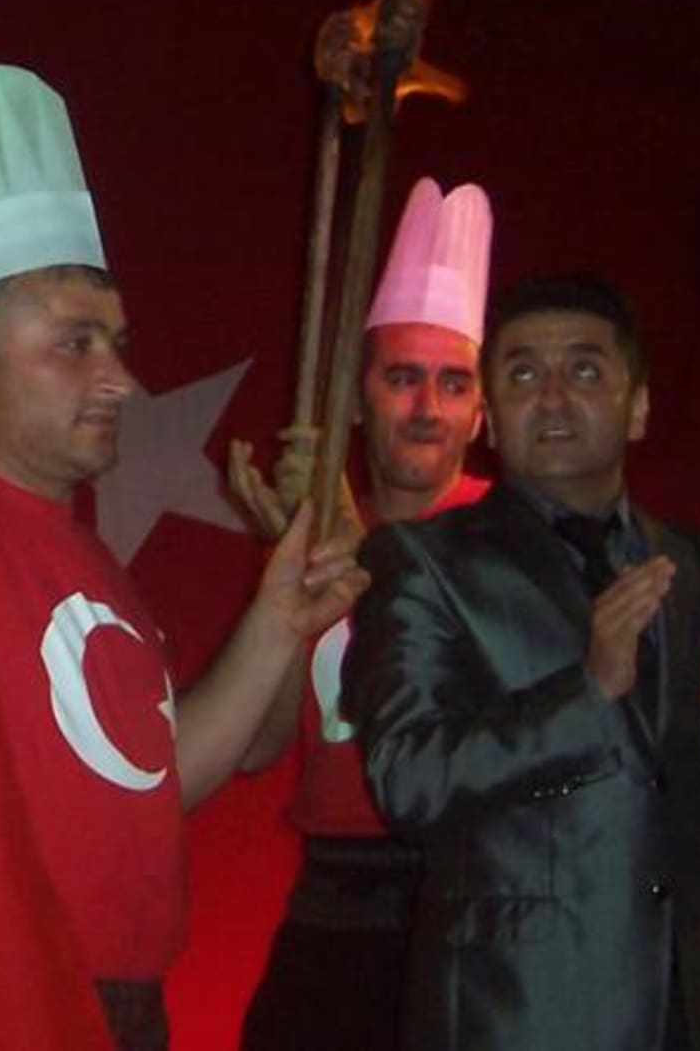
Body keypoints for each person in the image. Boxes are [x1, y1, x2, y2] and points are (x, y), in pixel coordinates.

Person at [0, 64, 367, 1051]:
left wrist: (278, 622)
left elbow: (159, 784)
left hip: (124, 1007)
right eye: (76, 345)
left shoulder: (90, 562)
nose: (121, 380)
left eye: (116, 342)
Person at [345, 272, 700, 1050]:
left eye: (584, 370)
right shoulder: (425, 564)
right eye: (523, 375)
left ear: (637, 405)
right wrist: (586, 694)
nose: (552, 398)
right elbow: (408, 780)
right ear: (490, 415)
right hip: (525, 1008)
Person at [235, 176, 494, 1049]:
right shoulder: (313, 532)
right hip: (333, 902)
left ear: (480, 411)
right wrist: (288, 577)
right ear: (356, 398)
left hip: (466, 894)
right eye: (402, 379)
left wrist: (367, 561)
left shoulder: (510, 537)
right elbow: (261, 747)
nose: (426, 410)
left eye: (452, 385)